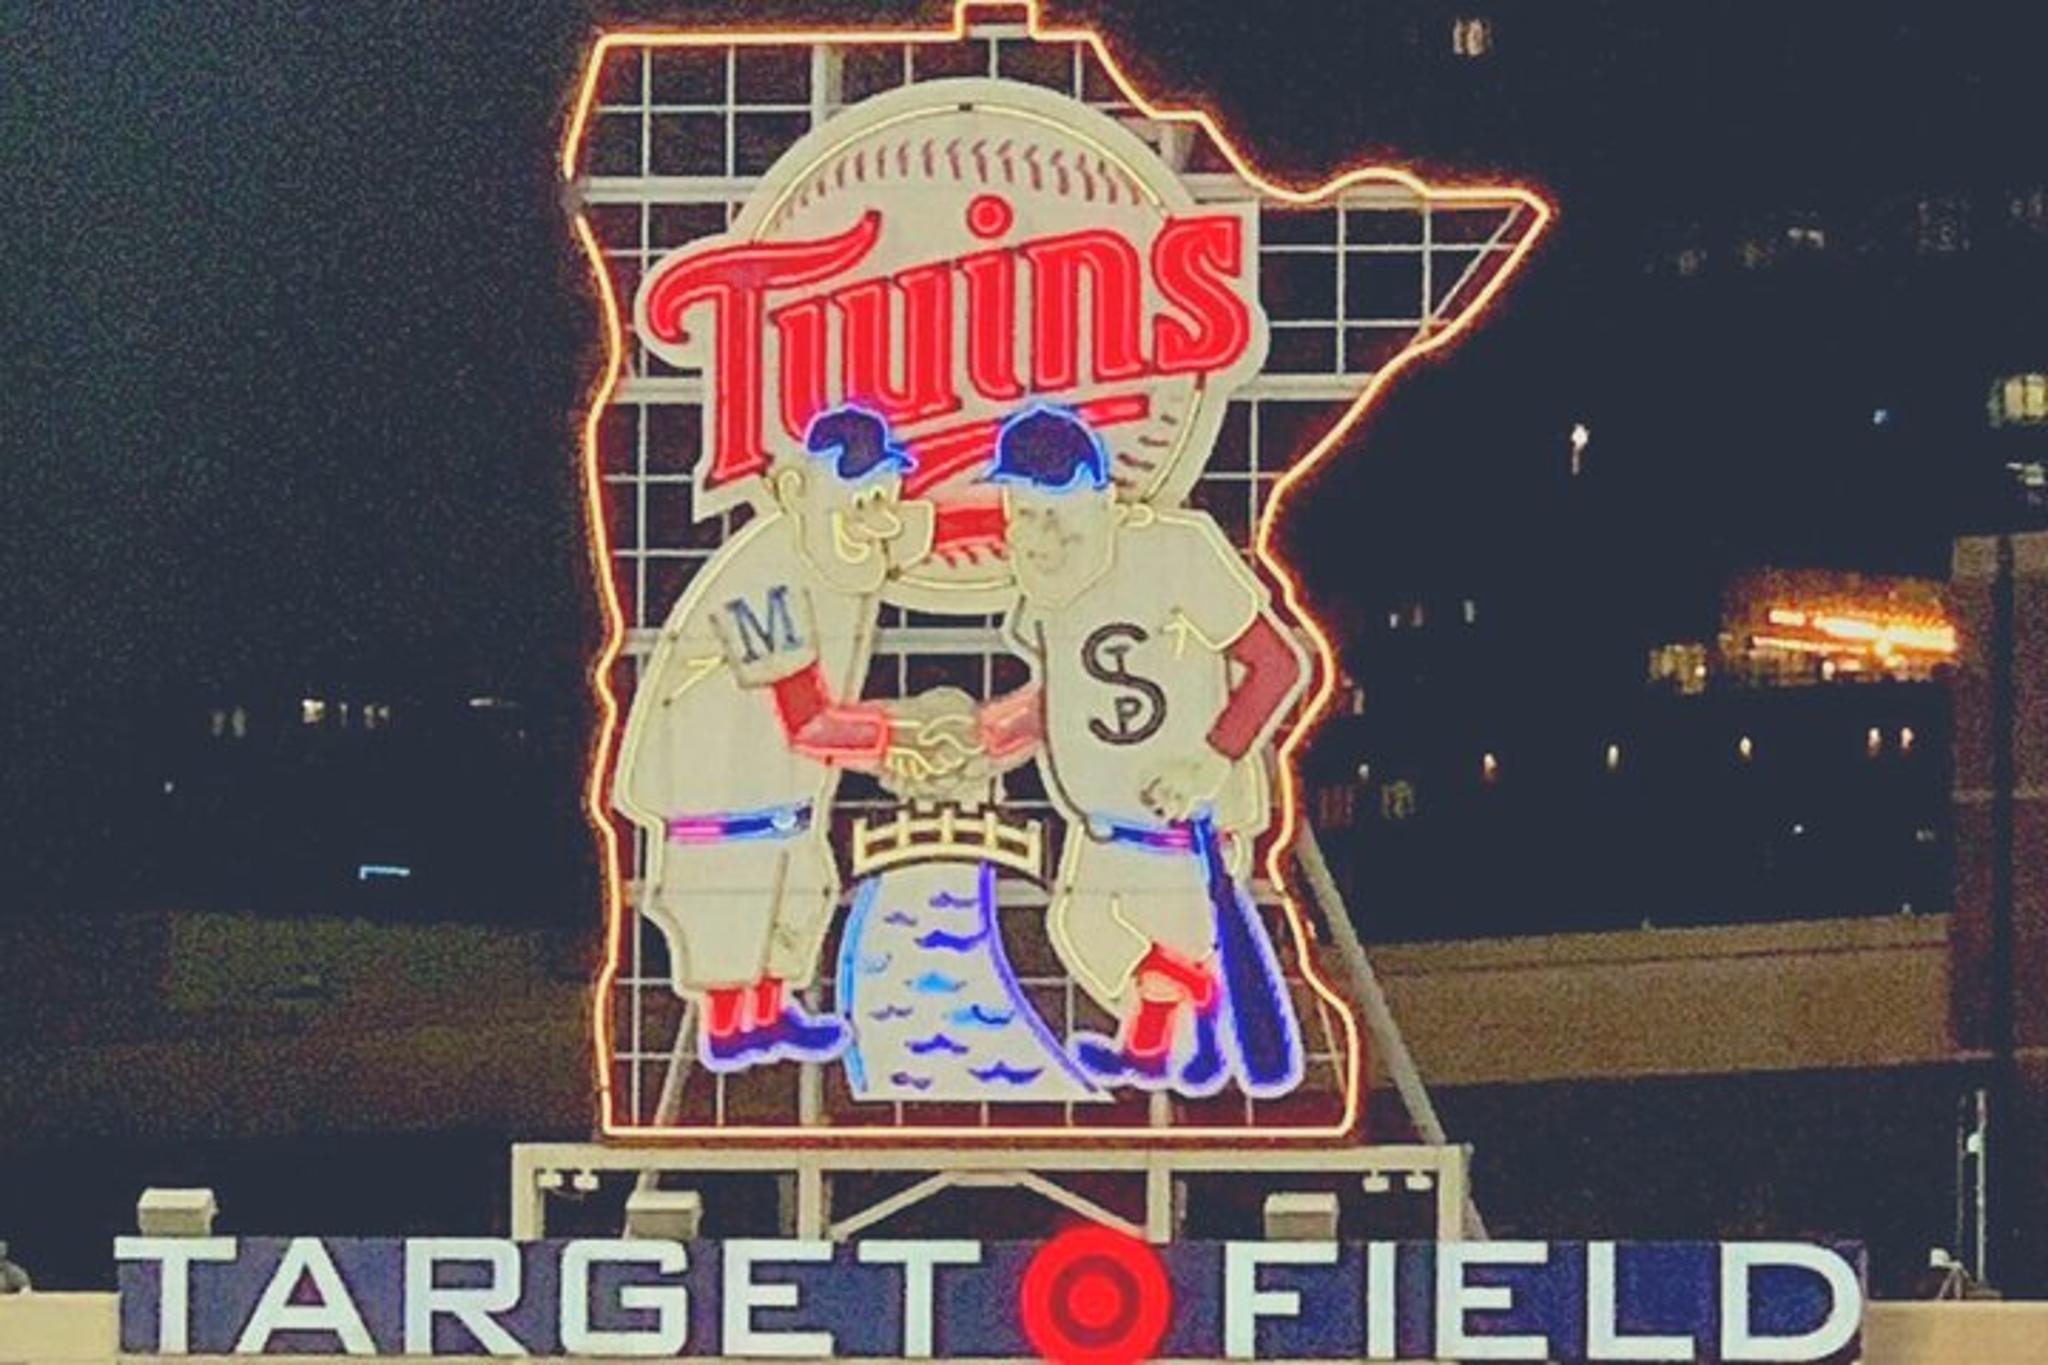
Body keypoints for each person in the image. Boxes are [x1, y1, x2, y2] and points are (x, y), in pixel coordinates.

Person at [987, 407, 1310, 1097]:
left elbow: (1276, 662)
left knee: (1144, 931)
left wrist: (1212, 759)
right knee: (1079, 924)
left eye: (1049, 508)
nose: (1035, 529)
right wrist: (981, 738)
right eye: (1021, 508)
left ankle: (1176, 1024)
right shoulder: (1048, 583)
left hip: (1178, 823)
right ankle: (1172, 1023)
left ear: (1096, 495)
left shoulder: (1175, 548)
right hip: (1100, 819)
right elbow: (1062, 696)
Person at [613, 405, 943, 1073]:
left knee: (800, 898)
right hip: (717, 807)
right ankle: (734, 1028)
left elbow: (947, 530)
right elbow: (807, 718)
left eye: (884, 494)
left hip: (783, 803)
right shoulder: (762, 571)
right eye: (860, 495)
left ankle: (767, 1015)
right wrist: (898, 738)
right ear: (797, 491)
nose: (876, 514)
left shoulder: (837, 555)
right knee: (730, 923)